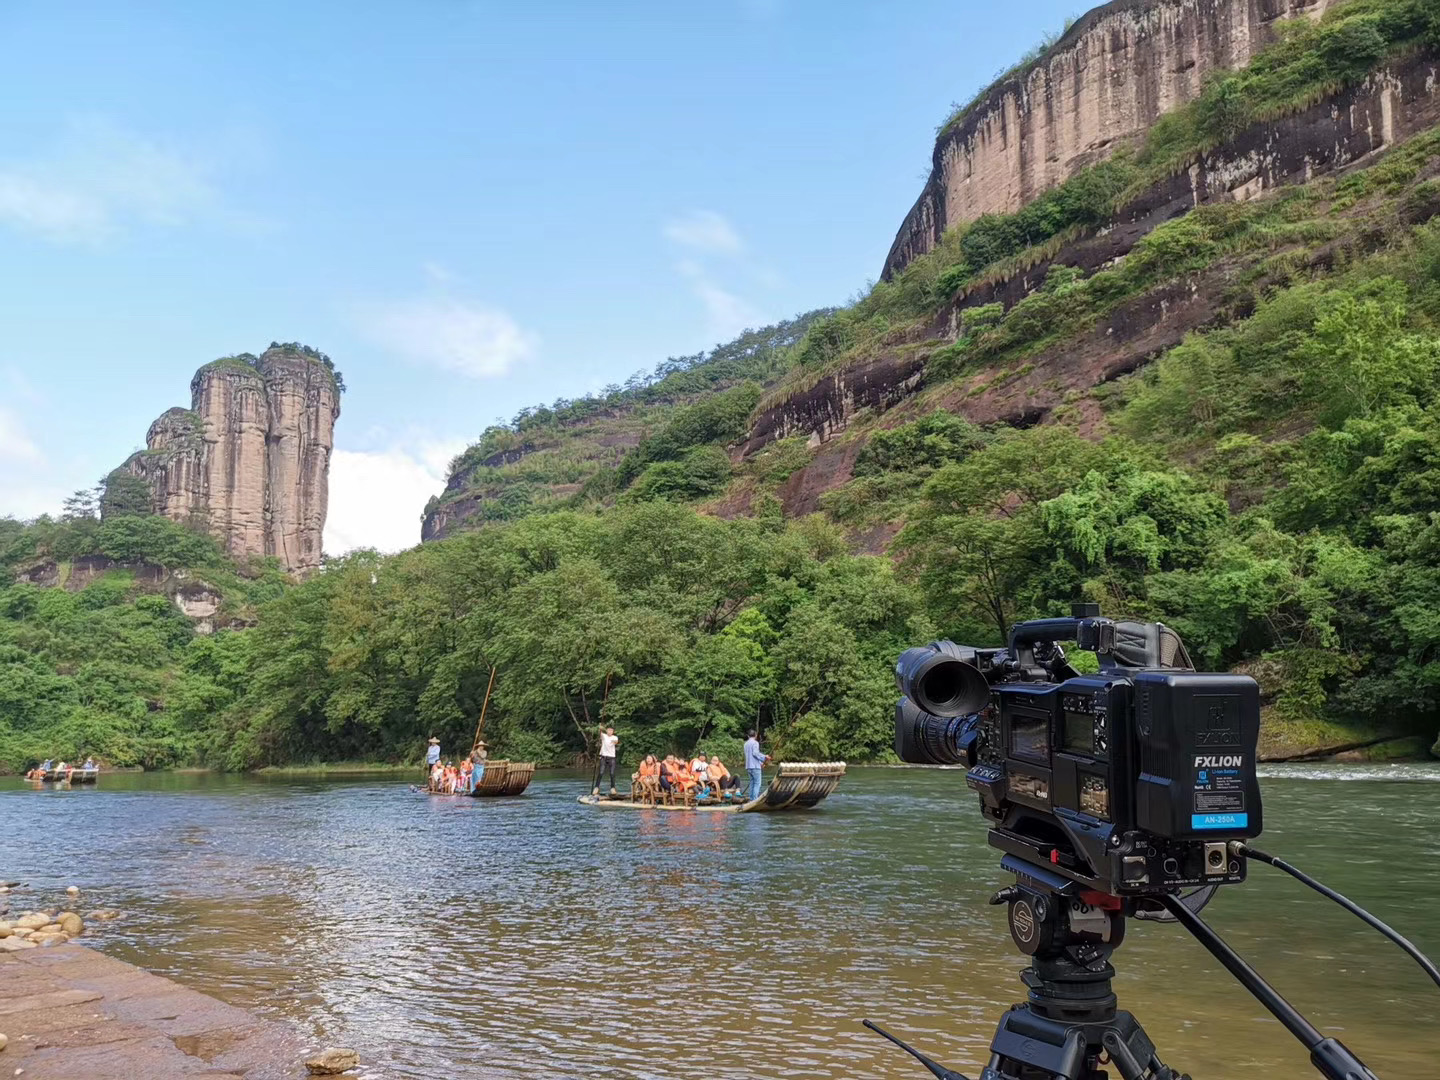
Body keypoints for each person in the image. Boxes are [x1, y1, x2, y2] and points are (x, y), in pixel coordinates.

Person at [744, 729, 772, 802]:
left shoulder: (745, 744)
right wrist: (764, 757)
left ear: (748, 736)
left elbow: (751, 755)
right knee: (757, 783)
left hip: (748, 766)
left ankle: (751, 799)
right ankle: (755, 799)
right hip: (755, 767)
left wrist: (760, 763)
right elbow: (755, 753)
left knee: (752, 783)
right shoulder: (755, 743)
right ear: (755, 735)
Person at [595, 725, 620, 797]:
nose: (610, 731)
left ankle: (613, 788)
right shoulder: (604, 736)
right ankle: (596, 787)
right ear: (606, 730)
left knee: (612, 773)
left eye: (611, 730)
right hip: (603, 757)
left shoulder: (614, 737)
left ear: (613, 731)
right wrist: (600, 728)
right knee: (601, 772)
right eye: (608, 730)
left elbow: (616, 742)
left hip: (612, 757)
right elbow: (600, 733)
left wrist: (614, 741)